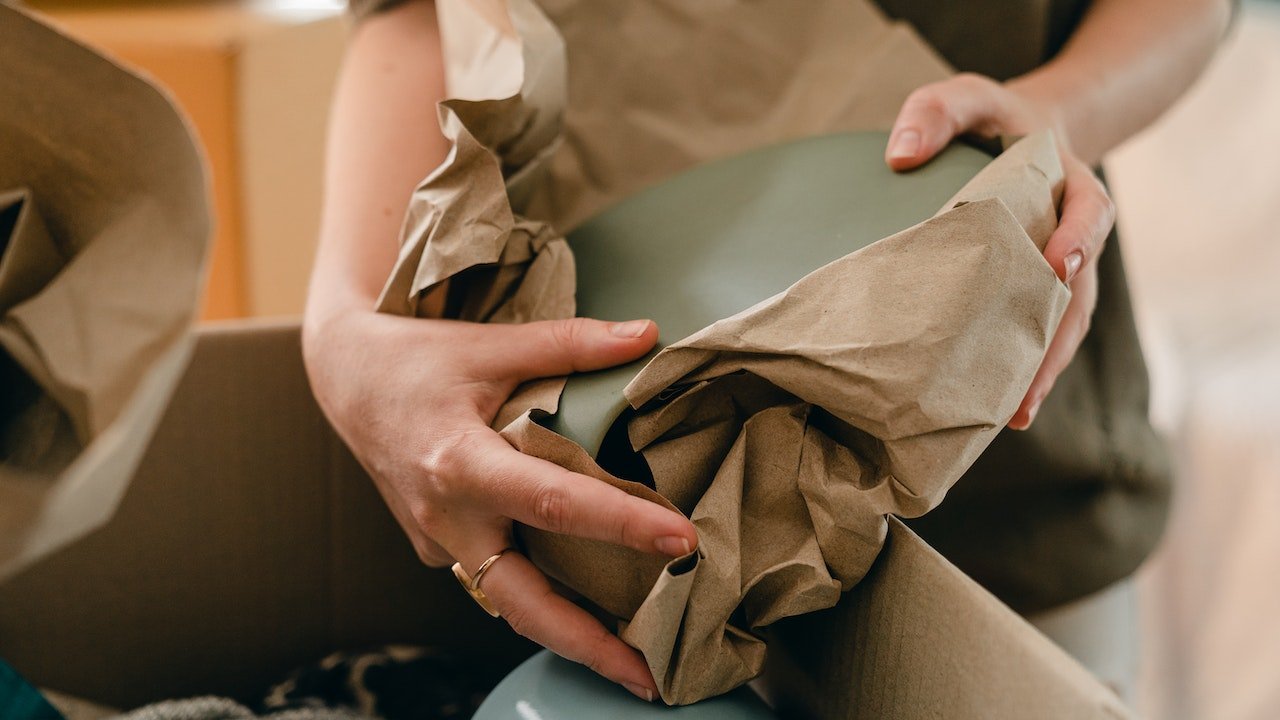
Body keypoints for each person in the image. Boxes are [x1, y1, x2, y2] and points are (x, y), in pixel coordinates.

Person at [303, 0, 1231, 702]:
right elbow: (414, 12)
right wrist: (344, 333)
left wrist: (1049, 114)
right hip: (595, 495)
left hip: (1006, 489)